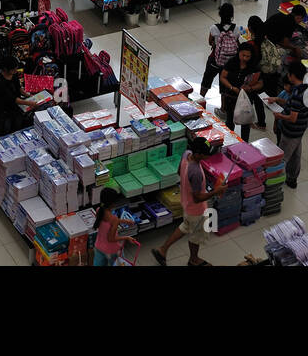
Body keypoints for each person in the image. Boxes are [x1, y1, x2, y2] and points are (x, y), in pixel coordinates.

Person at [152, 137, 218, 266]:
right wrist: (216, 191)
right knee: (196, 236)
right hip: (196, 210)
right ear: (198, 154)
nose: (206, 157)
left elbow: (179, 172)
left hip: (186, 203)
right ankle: (194, 260)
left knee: (185, 226)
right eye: (205, 154)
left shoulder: (186, 154)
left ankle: (162, 250)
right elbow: (198, 198)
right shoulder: (196, 172)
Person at [274, 61, 308, 189]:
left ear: (292, 75)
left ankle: (276, 184)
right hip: (300, 129)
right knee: (296, 155)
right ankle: (292, 179)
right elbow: (296, 107)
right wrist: (278, 99)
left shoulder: (296, 94)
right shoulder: (306, 88)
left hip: (291, 131)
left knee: (282, 157)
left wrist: (279, 116)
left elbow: (292, 117)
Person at [219, 43, 264, 142]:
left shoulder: (254, 66)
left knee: (245, 123)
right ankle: (229, 142)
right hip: (231, 97)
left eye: (248, 56)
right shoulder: (232, 62)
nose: (245, 58)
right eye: (243, 55)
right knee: (229, 121)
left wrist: (250, 88)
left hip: (246, 99)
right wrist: (231, 87)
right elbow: (223, 77)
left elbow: (260, 84)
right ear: (239, 53)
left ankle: (244, 143)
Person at [200, 1, 239, 96]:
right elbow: (236, 42)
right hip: (229, 62)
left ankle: (200, 99)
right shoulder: (236, 28)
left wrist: (215, 43)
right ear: (232, 15)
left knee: (207, 79)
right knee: (224, 84)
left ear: (219, 14)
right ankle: (223, 108)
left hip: (215, 60)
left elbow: (210, 42)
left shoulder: (214, 28)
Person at [92, 188, 137, 266]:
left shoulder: (99, 210)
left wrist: (124, 221)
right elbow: (111, 239)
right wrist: (127, 238)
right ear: (113, 203)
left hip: (98, 246)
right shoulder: (114, 220)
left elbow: (107, 221)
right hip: (111, 250)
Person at [0, 58, 32, 136]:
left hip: (17, 108)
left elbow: (19, 88)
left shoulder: (14, 75)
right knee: (6, 131)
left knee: (17, 128)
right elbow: (12, 99)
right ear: (6, 69)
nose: (16, 71)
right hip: (5, 111)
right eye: (13, 69)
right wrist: (30, 103)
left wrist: (29, 95)